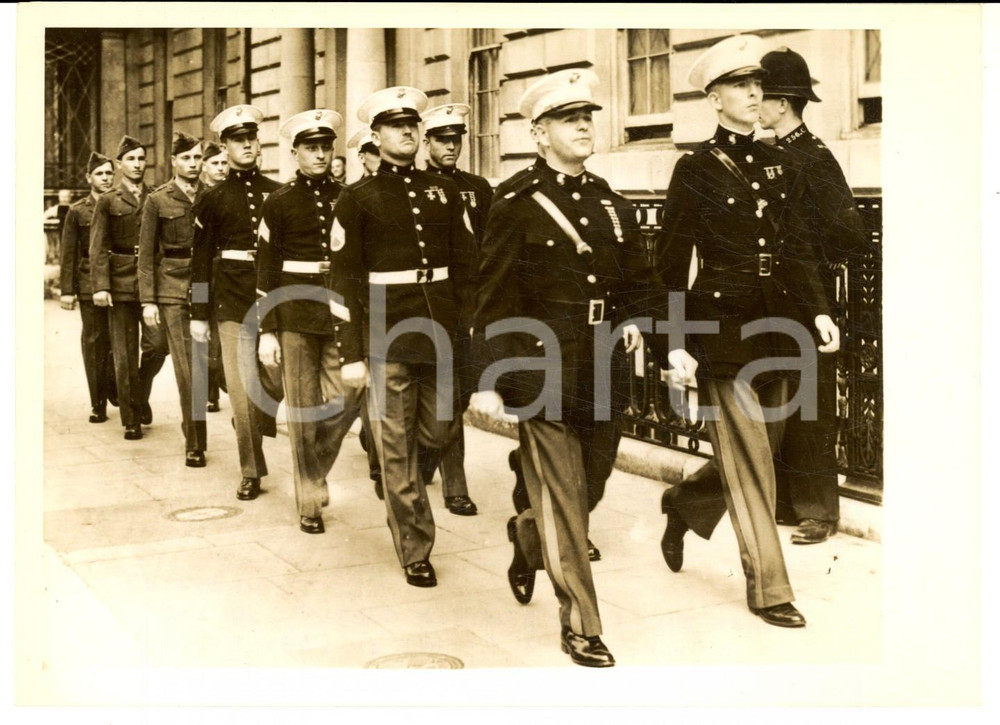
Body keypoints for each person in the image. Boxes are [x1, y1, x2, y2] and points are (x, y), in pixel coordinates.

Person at [473, 69, 668, 667]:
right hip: (542, 364)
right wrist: (487, 379)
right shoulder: (515, 201)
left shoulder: (608, 198)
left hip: (604, 358)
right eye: (568, 119)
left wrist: (639, 319)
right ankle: (581, 624)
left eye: (588, 117)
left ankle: (526, 536)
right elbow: (490, 296)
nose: (584, 126)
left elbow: (640, 279)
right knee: (564, 501)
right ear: (539, 133)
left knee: (593, 480)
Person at [654, 35, 838, 629]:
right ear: (714, 98)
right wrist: (676, 340)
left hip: (781, 325)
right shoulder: (696, 168)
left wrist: (818, 310)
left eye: (757, 83)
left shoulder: (778, 163)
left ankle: (683, 502)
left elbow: (798, 248)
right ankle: (771, 588)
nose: (754, 93)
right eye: (739, 85)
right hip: (724, 330)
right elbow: (671, 261)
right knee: (754, 464)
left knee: (766, 448)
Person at [330, 86, 476, 588]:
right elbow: (343, 280)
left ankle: (403, 486)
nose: (408, 132)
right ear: (376, 136)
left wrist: (469, 331)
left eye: (412, 124)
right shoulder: (356, 197)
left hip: (439, 329)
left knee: (436, 431)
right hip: (386, 333)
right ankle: (415, 544)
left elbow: (465, 265)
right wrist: (351, 351)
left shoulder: (445, 190)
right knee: (396, 445)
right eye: (396, 126)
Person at [758, 46, 869, 544]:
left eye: (759, 96)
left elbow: (851, 233)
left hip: (808, 302)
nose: (753, 105)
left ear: (782, 103)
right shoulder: (762, 156)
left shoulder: (815, 158)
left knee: (813, 406)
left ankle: (819, 512)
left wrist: (805, 252)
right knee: (775, 401)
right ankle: (783, 501)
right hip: (767, 301)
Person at [256, 108, 364, 535]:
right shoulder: (278, 201)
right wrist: (266, 329)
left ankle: (314, 466)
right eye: (311, 148)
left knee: (345, 398)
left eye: (325, 147)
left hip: (339, 310)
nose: (320, 155)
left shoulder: (350, 196)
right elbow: (265, 266)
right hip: (295, 312)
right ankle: (309, 498)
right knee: (302, 410)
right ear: (295, 152)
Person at [191, 105, 284, 501]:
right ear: (225, 146)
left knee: (276, 379)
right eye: (237, 140)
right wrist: (198, 312)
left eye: (251, 138)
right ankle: (251, 468)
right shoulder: (213, 199)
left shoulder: (277, 192)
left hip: (276, 299)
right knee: (241, 388)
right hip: (231, 300)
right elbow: (199, 260)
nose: (247, 145)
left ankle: (261, 417)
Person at [413, 102, 493, 516]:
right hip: (434, 302)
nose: (450, 146)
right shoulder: (418, 186)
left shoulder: (478, 187)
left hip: (473, 300)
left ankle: (427, 457)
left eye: (455, 138)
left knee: (458, 393)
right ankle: (455, 486)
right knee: (441, 393)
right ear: (425, 142)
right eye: (442, 139)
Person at [90, 135, 169, 440]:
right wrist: (100, 286)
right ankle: (130, 419)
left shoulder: (158, 196)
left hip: (151, 282)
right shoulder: (109, 201)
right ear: (120, 164)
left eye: (141, 158)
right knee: (123, 353)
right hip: (120, 282)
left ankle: (139, 393)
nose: (137, 164)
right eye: (131, 159)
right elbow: (98, 246)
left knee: (159, 345)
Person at [138, 132, 207, 468]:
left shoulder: (211, 195)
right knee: (188, 368)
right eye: (187, 158)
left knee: (211, 364)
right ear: (174, 162)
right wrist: (148, 301)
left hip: (207, 286)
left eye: (197, 158)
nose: (193, 164)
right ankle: (195, 442)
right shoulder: (158, 199)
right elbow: (147, 254)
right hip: (172, 289)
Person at [59, 152, 117, 423]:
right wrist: (67, 291)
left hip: (118, 282)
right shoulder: (78, 211)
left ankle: (118, 388)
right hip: (88, 284)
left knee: (118, 340)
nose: (105, 178)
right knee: (95, 341)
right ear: (89, 178)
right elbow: (68, 253)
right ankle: (98, 402)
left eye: (109, 173)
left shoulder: (118, 204)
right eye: (100, 174)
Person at [198, 140, 229, 414]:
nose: (221, 168)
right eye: (215, 163)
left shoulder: (233, 193)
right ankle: (211, 392)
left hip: (228, 276)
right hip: (204, 275)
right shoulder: (200, 197)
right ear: (203, 167)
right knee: (207, 337)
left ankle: (219, 384)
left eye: (223, 162)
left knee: (220, 338)